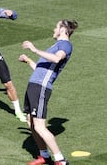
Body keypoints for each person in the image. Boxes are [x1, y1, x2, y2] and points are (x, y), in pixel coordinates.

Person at [18, 19, 78, 165]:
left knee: (39, 126)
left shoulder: (65, 45)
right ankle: (44, 156)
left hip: (40, 87)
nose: (53, 29)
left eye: (56, 27)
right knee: (31, 123)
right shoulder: (56, 45)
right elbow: (40, 69)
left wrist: (34, 49)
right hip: (34, 86)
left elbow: (57, 59)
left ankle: (60, 159)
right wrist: (28, 60)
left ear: (63, 30)